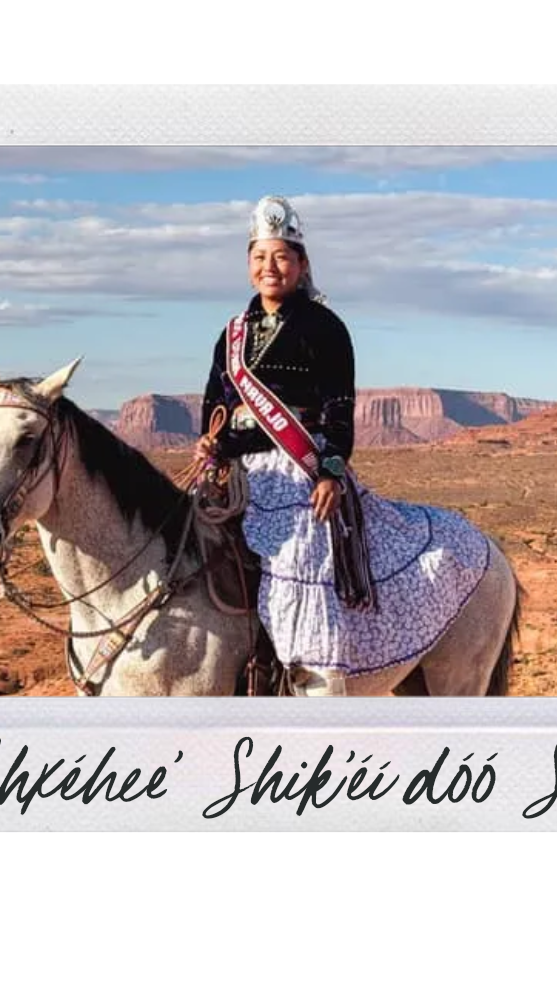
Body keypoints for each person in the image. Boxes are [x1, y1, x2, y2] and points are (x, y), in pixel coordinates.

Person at [195, 195, 490, 696]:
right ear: (248, 265)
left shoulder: (325, 328)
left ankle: (318, 684)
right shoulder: (232, 335)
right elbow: (214, 404)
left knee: (298, 563)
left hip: (297, 474)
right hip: (240, 475)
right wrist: (209, 443)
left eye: (282, 256)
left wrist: (330, 471)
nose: (271, 267)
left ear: (302, 264)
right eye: (260, 257)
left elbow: (338, 407)